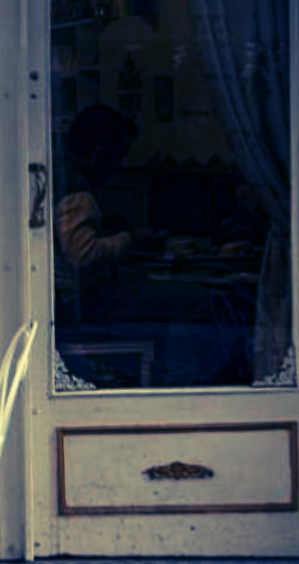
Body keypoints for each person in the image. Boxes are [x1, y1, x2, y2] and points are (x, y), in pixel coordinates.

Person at [55, 105, 245, 386]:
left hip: (82, 301)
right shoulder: (76, 190)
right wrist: (132, 239)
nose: (118, 166)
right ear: (99, 156)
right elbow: (82, 254)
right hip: (84, 307)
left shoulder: (64, 179)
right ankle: (181, 385)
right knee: (196, 301)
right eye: (117, 157)